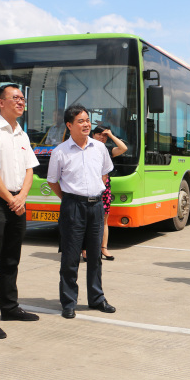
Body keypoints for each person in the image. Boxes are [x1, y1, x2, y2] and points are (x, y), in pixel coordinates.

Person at [0, 84, 40, 340]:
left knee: (12, 258)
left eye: (23, 98)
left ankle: (9, 308)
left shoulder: (21, 134)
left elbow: (29, 170)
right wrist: (12, 199)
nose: (21, 102)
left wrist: (21, 197)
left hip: (17, 201)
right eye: (15, 98)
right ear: (1, 102)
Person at [47, 104, 116, 319]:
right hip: (72, 207)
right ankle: (69, 302)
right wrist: (70, 198)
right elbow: (52, 181)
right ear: (69, 125)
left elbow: (104, 175)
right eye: (81, 121)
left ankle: (97, 298)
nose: (86, 124)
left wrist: (92, 192)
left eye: (87, 120)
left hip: (96, 206)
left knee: (95, 256)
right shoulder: (60, 152)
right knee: (70, 257)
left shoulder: (100, 148)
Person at [88, 125, 127, 260]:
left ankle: (103, 248)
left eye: (104, 135)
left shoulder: (107, 150)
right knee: (88, 220)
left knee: (104, 220)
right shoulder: (86, 148)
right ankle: (86, 249)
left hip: (104, 188)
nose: (102, 137)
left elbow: (123, 148)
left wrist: (111, 135)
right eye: (99, 134)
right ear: (93, 135)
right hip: (88, 187)